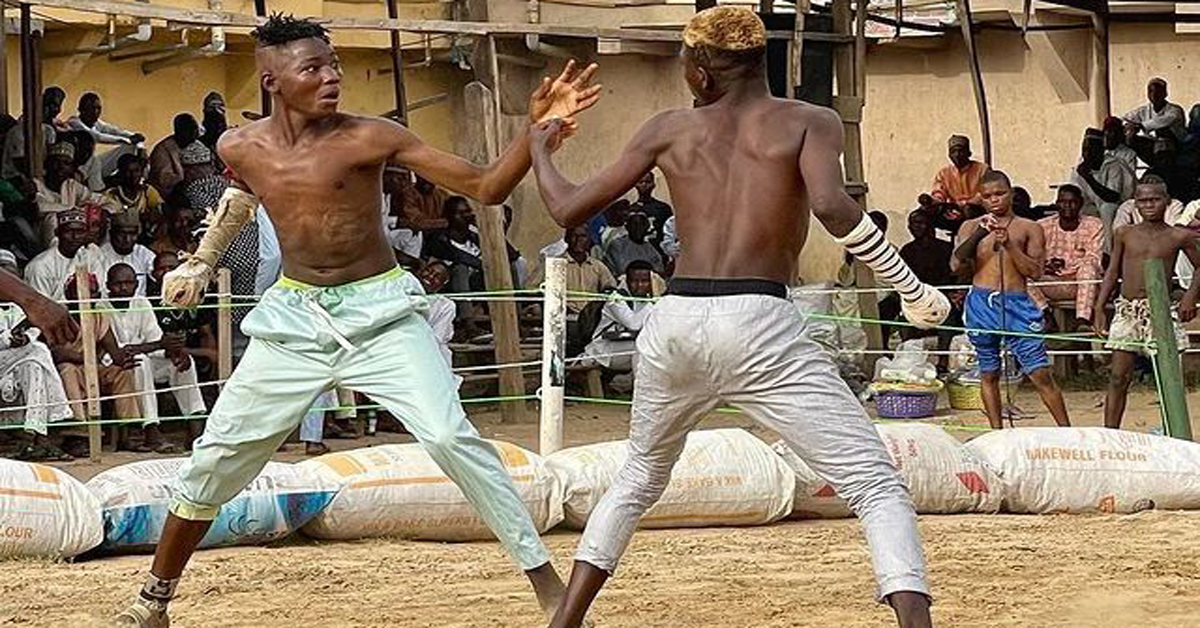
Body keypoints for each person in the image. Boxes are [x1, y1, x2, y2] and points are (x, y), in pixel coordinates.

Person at [114, 14, 600, 628]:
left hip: (382, 313)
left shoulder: (372, 136)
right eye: (312, 67)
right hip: (294, 319)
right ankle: (153, 600)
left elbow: (486, 186)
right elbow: (242, 194)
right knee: (217, 455)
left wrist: (537, 131)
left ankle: (548, 586)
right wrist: (204, 258)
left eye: (334, 64)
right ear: (271, 81)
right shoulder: (237, 145)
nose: (332, 77)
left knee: (452, 438)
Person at [528, 8, 943, 628]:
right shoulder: (810, 121)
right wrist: (909, 285)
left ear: (699, 73)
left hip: (674, 319)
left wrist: (540, 142)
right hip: (758, 319)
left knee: (640, 475)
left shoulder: (668, 128)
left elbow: (565, 207)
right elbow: (831, 205)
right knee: (874, 485)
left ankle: (565, 622)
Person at [950, 170, 1071, 430]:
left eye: (1000, 194)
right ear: (980, 199)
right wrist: (978, 236)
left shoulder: (1029, 227)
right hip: (981, 303)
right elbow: (956, 265)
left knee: (1039, 373)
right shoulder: (969, 226)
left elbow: (1035, 271)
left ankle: (1067, 431)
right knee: (989, 371)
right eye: (988, 196)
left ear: (1011, 194)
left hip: (1017, 303)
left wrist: (1010, 245)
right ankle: (997, 432)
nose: (994, 200)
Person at [1094, 179, 1200, 429]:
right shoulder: (1124, 233)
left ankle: (1173, 431)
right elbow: (1112, 271)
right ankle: (1110, 434)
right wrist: (1099, 307)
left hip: (1161, 311)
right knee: (1119, 376)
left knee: (1168, 378)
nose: (1149, 205)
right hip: (1128, 309)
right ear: (1135, 204)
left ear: (1167, 201)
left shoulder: (1178, 235)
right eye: (1143, 200)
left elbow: (1199, 266)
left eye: (1155, 199)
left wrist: (1189, 298)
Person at [104, 263, 204, 452]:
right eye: (118, 284)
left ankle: (195, 425)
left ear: (136, 284)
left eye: (128, 283)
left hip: (144, 363)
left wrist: (174, 352)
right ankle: (151, 430)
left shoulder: (141, 303)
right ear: (108, 285)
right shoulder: (100, 306)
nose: (124, 288)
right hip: (116, 366)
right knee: (140, 361)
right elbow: (116, 352)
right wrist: (159, 345)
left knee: (183, 363)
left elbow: (156, 341)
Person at [51, 273, 141, 445]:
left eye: (91, 292)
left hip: (93, 368)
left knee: (122, 373)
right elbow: (57, 354)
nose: (86, 297)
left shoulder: (99, 315)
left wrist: (126, 358)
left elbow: (114, 352)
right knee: (68, 370)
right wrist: (85, 358)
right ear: (69, 295)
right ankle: (78, 433)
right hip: (68, 371)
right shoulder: (59, 315)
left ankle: (128, 431)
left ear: (98, 295)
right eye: (79, 292)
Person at [0, 298, 73, 460]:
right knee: (39, 350)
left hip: (17, 361)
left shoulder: (17, 307)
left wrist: (25, 337)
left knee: (34, 366)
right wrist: (8, 339)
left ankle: (33, 435)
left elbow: (33, 330)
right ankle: (46, 431)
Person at [1027, 185, 1103, 331]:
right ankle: (1046, 316)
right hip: (1051, 283)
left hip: (1082, 284)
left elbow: (1094, 259)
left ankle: (1082, 320)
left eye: (1072, 202)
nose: (1067, 206)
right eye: (1062, 202)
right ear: (1056, 203)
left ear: (1081, 203)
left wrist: (1066, 265)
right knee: (1020, 275)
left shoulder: (1094, 225)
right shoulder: (1042, 226)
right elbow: (1033, 258)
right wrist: (1045, 265)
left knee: (1088, 268)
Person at [34, 141, 118, 246]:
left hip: (73, 236)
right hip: (43, 239)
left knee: (105, 220)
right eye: (56, 162)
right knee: (52, 218)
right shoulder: (36, 185)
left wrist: (105, 211)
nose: (60, 167)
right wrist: (73, 209)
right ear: (47, 165)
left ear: (72, 168)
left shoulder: (71, 185)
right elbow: (39, 208)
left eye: (66, 163)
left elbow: (107, 202)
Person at [580, 259, 654, 373]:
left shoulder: (643, 300)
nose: (639, 285)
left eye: (645, 281)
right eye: (634, 281)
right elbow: (634, 324)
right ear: (627, 281)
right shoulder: (615, 299)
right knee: (644, 348)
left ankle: (624, 384)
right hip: (604, 351)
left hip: (625, 346)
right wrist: (652, 302)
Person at [1068, 129, 1135, 248]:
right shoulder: (1080, 169)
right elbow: (1076, 195)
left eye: (1091, 149)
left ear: (1101, 150)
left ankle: (1109, 252)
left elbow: (1112, 197)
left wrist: (1089, 179)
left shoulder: (1113, 165)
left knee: (1107, 208)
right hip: (1096, 206)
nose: (1086, 154)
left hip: (1123, 205)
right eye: (1084, 150)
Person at [24, 209, 100, 301]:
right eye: (68, 231)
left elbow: (101, 292)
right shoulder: (41, 265)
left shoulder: (90, 258)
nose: (75, 237)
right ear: (57, 233)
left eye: (80, 232)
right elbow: (40, 305)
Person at [67, 92, 145, 178]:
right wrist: (128, 140)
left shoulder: (96, 122)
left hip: (92, 164)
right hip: (79, 167)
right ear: (81, 109)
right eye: (91, 108)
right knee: (94, 162)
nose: (95, 112)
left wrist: (135, 139)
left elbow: (114, 131)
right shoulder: (74, 122)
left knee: (131, 147)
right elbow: (98, 137)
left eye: (98, 108)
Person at [423, 195, 483, 293]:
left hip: (479, 283)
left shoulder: (474, 237)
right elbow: (459, 257)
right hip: (452, 288)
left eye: (468, 212)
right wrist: (486, 266)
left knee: (515, 263)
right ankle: (465, 308)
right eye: (461, 213)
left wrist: (482, 229)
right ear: (449, 216)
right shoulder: (439, 239)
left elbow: (512, 255)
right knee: (460, 269)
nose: (466, 216)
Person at [2, 86, 66, 180]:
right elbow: (21, 165)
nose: (56, 110)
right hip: (14, 178)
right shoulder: (18, 132)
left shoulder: (49, 131)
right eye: (50, 105)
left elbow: (51, 159)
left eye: (57, 106)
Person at [1123, 77, 1187, 163]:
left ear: (1165, 93)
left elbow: (1164, 121)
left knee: (1162, 132)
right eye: (1150, 91)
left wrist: (1140, 126)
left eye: (1158, 92)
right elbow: (1125, 119)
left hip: (1175, 146)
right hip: (1152, 146)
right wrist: (1129, 127)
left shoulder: (1175, 110)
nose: (1154, 94)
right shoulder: (1143, 110)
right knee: (1128, 138)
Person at [95, 213, 156, 296]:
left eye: (132, 234)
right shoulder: (99, 255)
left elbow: (157, 275)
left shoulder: (144, 254)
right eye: (122, 233)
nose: (127, 239)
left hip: (139, 306)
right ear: (111, 233)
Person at [149, 113, 201, 199]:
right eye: (190, 129)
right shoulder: (162, 150)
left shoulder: (196, 145)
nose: (195, 132)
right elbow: (164, 181)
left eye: (195, 128)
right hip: (170, 197)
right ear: (179, 131)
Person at [931, 134, 988, 208]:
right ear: (949, 155)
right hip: (953, 208)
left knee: (969, 210)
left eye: (961, 151)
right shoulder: (943, 173)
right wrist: (935, 199)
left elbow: (986, 193)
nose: (957, 155)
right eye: (953, 152)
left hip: (976, 208)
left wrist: (967, 203)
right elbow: (939, 193)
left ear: (969, 153)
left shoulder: (982, 169)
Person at [603, 210, 664, 276]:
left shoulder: (649, 247)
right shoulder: (618, 245)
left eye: (642, 225)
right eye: (634, 225)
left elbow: (659, 269)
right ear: (627, 227)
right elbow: (622, 269)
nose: (638, 228)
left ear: (647, 228)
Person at [106, 154, 163, 223]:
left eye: (137, 170)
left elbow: (160, 210)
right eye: (128, 171)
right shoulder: (111, 194)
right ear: (121, 173)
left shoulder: (147, 191)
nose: (133, 175)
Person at [630, 170, 673, 240]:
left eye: (648, 182)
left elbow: (670, 232)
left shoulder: (663, 208)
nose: (644, 185)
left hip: (658, 248)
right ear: (635, 185)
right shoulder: (630, 209)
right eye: (641, 182)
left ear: (653, 185)